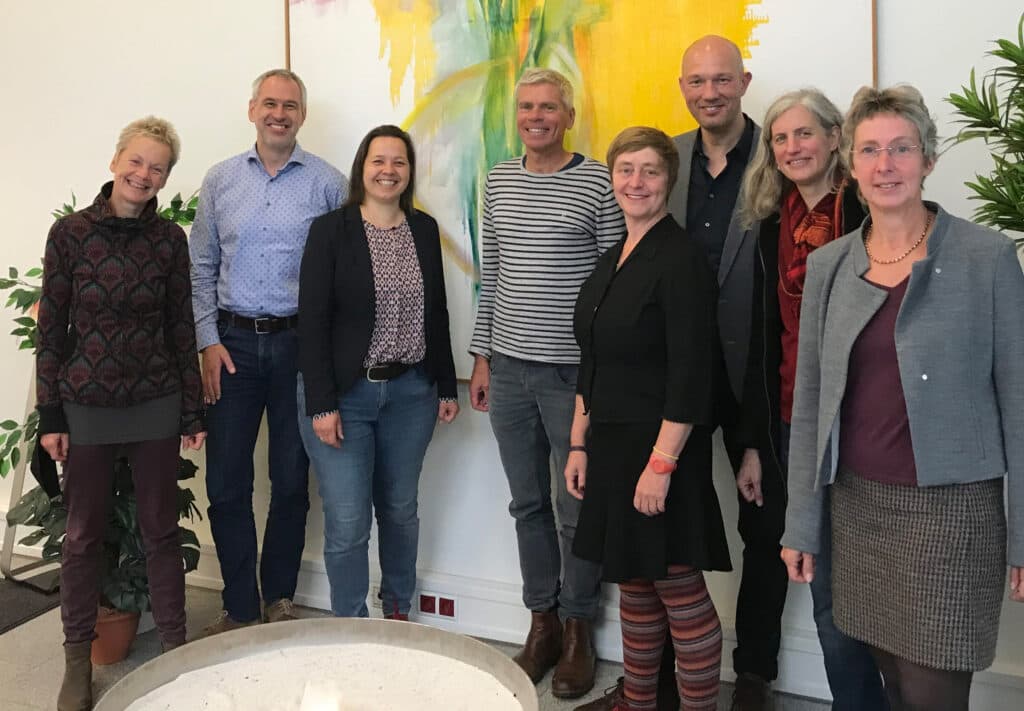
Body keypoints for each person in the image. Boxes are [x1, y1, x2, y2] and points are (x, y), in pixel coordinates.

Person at [781, 84, 1024, 711]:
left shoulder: (986, 257)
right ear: (851, 164)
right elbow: (811, 403)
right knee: (888, 679)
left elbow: (1020, 403)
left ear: (928, 160)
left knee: (933, 692)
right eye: (870, 150)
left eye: (901, 148)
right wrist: (801, 525)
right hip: (858, 510)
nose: (885, 165)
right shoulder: (832, 264)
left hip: (952, 514)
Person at [36, 117, 206, 711]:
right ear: (115, 162)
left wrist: (191, 409)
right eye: (136, 162)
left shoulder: (169, 242)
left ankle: (176, 654)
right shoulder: (70, 235)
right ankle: (77, 663)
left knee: (160, 531)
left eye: (156, 168)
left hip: (155, 402)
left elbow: (181, 328)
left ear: (164, 178)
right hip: (86, 405)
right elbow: (51, 329)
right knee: (82, 536)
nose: (144, 174)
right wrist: (51, 414)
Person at [468, 67, 624, 699]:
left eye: (549, 107)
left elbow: (614, 283)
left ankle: (579, 626)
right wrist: (480, 355)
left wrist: (601, 374)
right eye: (527, 106)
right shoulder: (499, 179)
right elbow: (492, 274)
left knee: (576, 509)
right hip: (507, 371)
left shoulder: (596, 184)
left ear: (568, 115)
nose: (537, 116)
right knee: (526, 503)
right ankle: (542, 624)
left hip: (571, 377)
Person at [568, 126, 729, 711]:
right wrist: (578, 444)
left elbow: (690, 375)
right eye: (625, 170)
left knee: (680, 591)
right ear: (612, 178)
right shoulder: (617, 254)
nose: (635, 182)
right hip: (610, 446)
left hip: (660, 451)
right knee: (635, 584)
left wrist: (661, 465)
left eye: (650, 171)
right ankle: (638, 703)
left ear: (670, 179)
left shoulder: (680, 258)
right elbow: (593, 356)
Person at [735, 89, 885, 710]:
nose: (793, 148)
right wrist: (751, 441)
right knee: (805, 566)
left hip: (861, 422)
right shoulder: (774, 222)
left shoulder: (870, 212)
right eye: (780, 138)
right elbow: (761, 339)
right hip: (791, 418)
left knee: (857, 581)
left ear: (833, 137)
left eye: (804, 134)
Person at [189, 69, 348, 635]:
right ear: (251, 108)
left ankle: (279, 594)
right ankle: (239, 605)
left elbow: (343, 276)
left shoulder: (328, 184)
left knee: (290, 477)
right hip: (230, 348)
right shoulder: (220, 180)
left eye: (291, 105)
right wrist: (206, 339)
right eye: (270, 104)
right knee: (227, 482)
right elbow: (201, 265)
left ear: (303, 115)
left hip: (300, 347)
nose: (279, 114)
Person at [296, 124, 458, 618]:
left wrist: (447, 386)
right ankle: (351, 624)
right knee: (348, 521)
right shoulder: (331, 230)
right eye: (378, 161)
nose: (388, 171)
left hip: (411, 394)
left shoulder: (424, 230)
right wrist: (321, 404)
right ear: (362, 169)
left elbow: (437, 312)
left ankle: (397, 613)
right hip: (345, 397)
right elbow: (312, 321)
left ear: (409, 173)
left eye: (399, 162)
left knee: (400, 511)